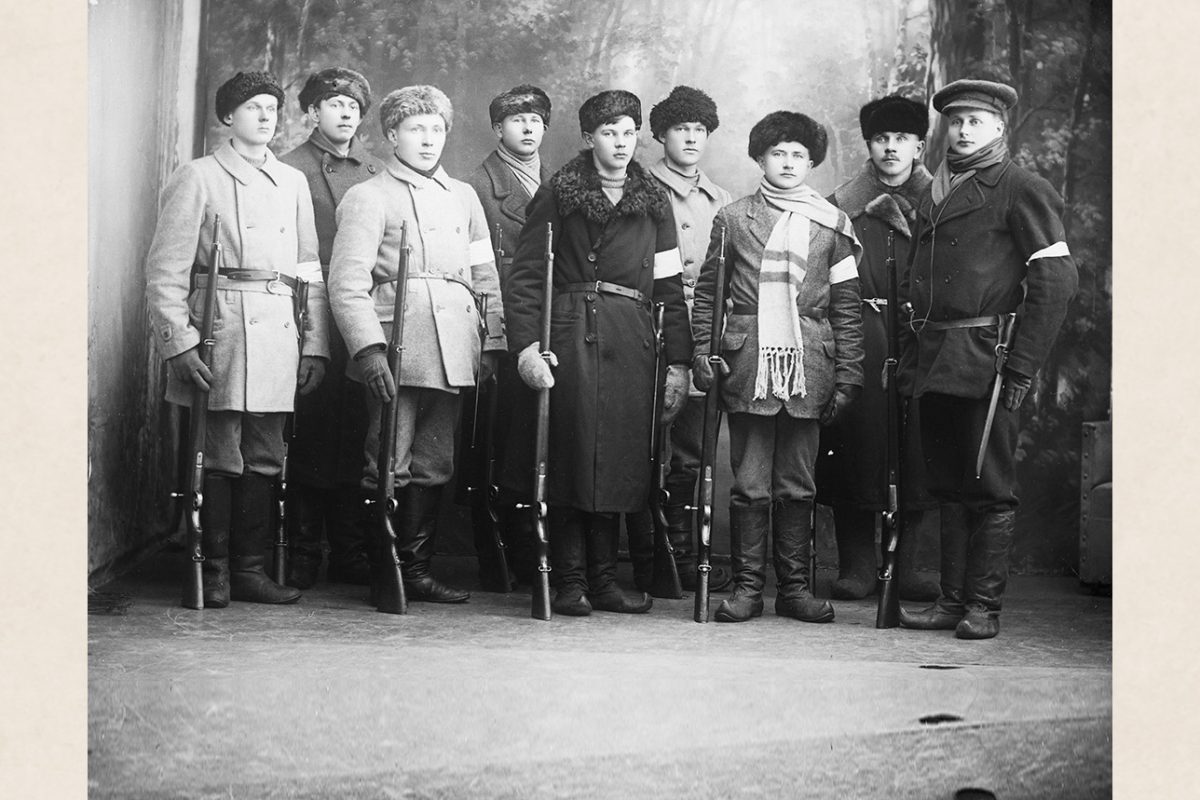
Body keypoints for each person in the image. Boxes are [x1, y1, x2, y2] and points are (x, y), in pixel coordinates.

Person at [897, 78, 1078, 639]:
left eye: (975, 121)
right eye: (955, 121)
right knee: (948, 484)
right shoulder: (936, 189)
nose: (963, 130)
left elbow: (1056, 280)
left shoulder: (1021, 187)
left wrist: (1021, 365)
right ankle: (951, 602)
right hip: (934, 358)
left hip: (986, 361)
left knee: (989, 485)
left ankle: (983, 607)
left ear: (1000, 127)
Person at [502, 89, 691, 617]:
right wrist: (527, 348)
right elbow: (526, 277)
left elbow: (670, 286)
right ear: (589, 138)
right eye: (609, 133)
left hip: (632, 338)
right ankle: (568, 582)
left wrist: (678, 363)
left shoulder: (654, 200)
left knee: (617, 460)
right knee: (571, 455)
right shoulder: (558, 193)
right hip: (569, 334)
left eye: (629, 133)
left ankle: (604, 582)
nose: (621, 143)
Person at [146, 70, 330, 606]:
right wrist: (178, 343)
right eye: (253, 107)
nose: (266, 116)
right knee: (219, 452)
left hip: (278, 329)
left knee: (267, 455)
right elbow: (164, 271)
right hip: (219, 327)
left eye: (272, 107)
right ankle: (215, 571)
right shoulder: (198, 176)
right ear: (228, 117)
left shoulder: (291, 182)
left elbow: (310, 270)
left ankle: (250, 571)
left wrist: (315, 341)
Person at [328, 85, 505, 604]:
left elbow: (485, 275)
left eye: (436, 129)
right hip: (397, 344)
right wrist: (368, 350)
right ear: (392, 135)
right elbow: (346, 283)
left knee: (434, 462)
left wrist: (491, 342)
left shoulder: (463, 196)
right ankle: (385, 571)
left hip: (455, 345)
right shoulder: (369, 195)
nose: (428, 140)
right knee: (387, 459)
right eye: (415, 129)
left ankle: (417, 571)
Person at [692, 110, 864, 624]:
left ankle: (794, 590)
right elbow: (708, 296)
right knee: (750, 484)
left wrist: (850, 374)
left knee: (797, 485)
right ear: (760, 159)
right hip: (749, 366)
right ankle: (748, 589)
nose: (788, 163)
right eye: (777, 153)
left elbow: (846, 307)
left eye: (798, 155)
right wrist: (702, 352)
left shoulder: (832, 223)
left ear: (811, 163)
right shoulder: (733, 218)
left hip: (810, 365)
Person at [817, 94, 940, 602]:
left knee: (919, 448)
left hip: (921, 334)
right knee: (855, 444)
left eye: (901, 139)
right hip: (860, 330)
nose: (891, 148)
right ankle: (858, 565)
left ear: (918, 146)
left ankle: (910, 566)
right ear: (868, 145)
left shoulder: (942, 201)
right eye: (881, 139)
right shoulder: (838, 206)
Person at [279, 67, 383, 590]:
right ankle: (302, 550)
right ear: (312, 111)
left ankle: (349, 549)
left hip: (363, 314)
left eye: (353, 107)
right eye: (334, 104)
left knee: (358, 429)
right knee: (311, 431)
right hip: (311, 314)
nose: (345, 114)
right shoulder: (288, 168)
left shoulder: (376, 172)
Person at [628, 85, 735, 596]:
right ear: (660, 135)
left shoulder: (723, 200)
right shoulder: (640, 187)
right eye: (680, 129)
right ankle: (647, 555)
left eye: (699, 130)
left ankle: (685, 555)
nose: (691, 138)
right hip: (649, 323)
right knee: (646, 444)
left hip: (705, 328)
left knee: (693, 450)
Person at [459, 84, 554, 592]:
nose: (528, 128)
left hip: (546, 323)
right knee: (497, 440)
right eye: (517, 120)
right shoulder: (476, 186)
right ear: (498, 129)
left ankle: (533, 549)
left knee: (537, 437)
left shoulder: (558, 183)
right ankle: (499, 553)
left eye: (536, 120)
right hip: (499, 324)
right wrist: (494, 334)